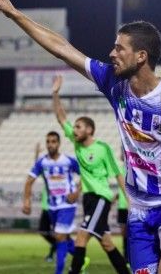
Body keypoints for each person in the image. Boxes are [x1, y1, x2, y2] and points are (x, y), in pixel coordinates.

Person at [0, 0, 161, 273]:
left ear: (141, 56)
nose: (111, 53)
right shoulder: (112, 82)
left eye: (120, 48)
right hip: (140, 207)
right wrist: (14, 14)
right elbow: (62, 48)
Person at [52, 76, 129, 274]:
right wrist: (55, 94)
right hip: (88, 199)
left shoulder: (103, 148)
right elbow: (61, 118)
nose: (75, 130)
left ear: (90, 130)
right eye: (75, 127)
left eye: (79, 127)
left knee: (81, 236)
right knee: (107, 243)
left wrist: (130, 200)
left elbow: (119, 175)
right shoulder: (77, 144)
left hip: (101, 198)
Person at [23, 132, 81, 274]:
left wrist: (77, 192)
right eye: (48, 141)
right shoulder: (42, 162)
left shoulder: (68, 160)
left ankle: (59, 272)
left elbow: (86, 175)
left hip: (67, 205)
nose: (50, 144)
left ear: (59, 143)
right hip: (52, 206)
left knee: (59, 236)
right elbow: (29, 181)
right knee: (62, 237)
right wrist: (26, 201)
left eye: (53, 141)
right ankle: (81, 259)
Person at [34, 142, 57, 262]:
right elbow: (37, 167)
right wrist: (37, 154)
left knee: (59, 234)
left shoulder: (60, 176)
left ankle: (51, 254)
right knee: (43, 231)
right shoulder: (46, 175)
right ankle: (56, 246)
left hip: (57, 207)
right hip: (46, 207)